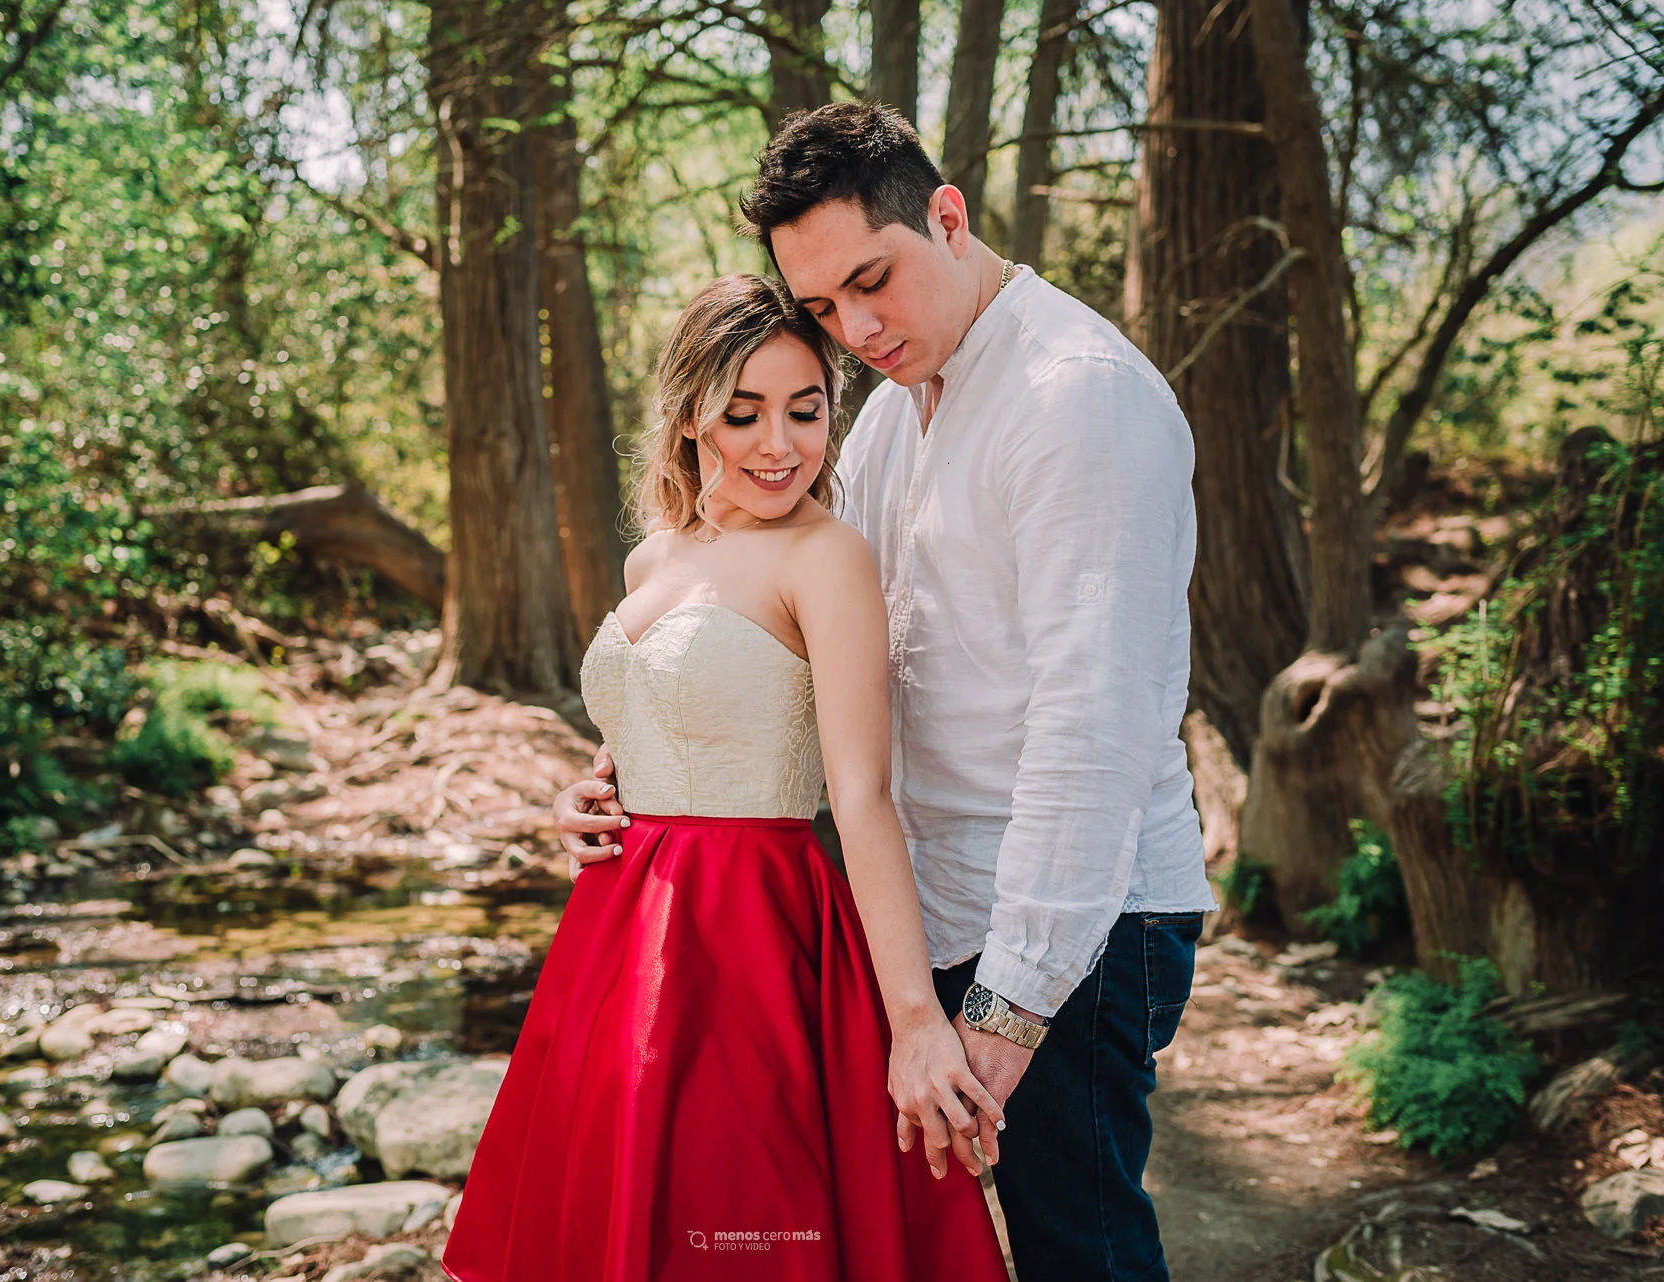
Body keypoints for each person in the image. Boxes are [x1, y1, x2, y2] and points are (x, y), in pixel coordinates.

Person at [557, 102, 1218, 1282]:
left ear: (948, 217)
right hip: (934, 908)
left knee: (1081, 1247)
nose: (855, 329)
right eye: (822, 310)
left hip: (1080, 925)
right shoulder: (897, 416)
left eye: (874, 279)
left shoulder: (1077, 399)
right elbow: (787, 653)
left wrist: (1009, 1013)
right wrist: (639, 768)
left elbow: (1092, 734)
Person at [442, 273, 1010, 1282]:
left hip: (750, 932)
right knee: (625, 1219)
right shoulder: (653, 559)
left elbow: (862, 795)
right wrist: (585, 791)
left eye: (806, 409)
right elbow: (663, 721)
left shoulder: (826, 557)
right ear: (692, 414)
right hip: (619, 933)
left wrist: (917, 1021)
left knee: (742, 1221)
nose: (779, 443)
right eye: (744, 413)